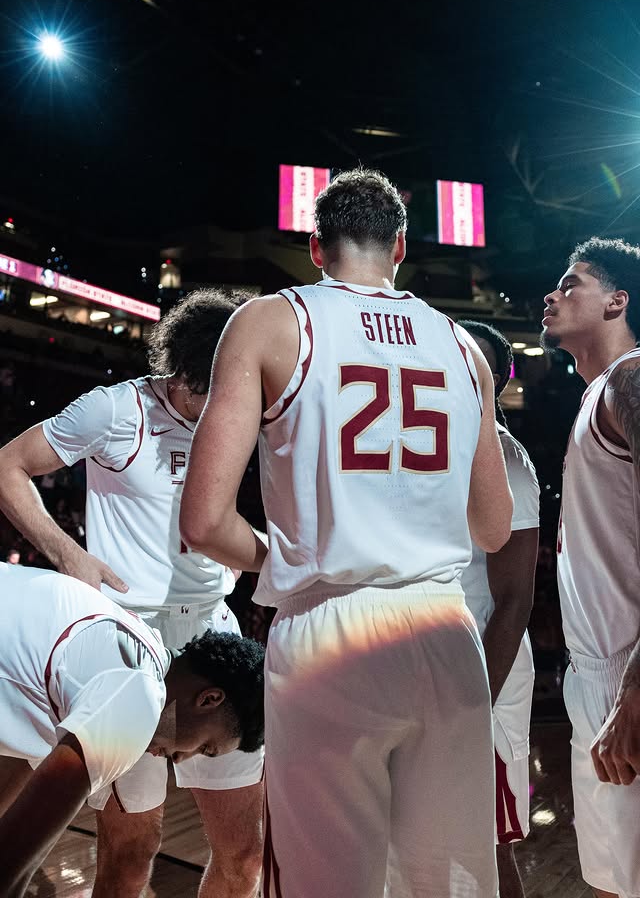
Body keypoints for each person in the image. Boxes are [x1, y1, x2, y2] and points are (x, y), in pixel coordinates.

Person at [180, 168, 513, 898]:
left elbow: (203, 519)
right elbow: (492, 527)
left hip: (329, 626)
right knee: (449, 881)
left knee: (330, 884)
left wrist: (276, 555)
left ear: (314, 246)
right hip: (445, 628)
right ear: (400, 247)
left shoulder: (271, 320)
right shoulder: (463, 345)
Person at [0, 288, 264, 898]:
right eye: (206, 392)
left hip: (212, 633)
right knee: (132, 849)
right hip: (127, 642)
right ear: (181, 372)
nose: (215, 408)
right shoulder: (116, 410)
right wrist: (68, 552)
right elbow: (10, 464)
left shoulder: (241, 408)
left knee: (244, 854)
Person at [0, 563, 265, 898]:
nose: (183, 760)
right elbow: (12, 862)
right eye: (205, 747)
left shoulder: (138, 641)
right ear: (209, 698)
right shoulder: (136, 702)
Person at [542, 237, 640, 898]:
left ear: (617, 299)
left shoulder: (632, 378)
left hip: (629, 670)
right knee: (609, 882)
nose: (552, 295)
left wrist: (637, 685)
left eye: (571, 283)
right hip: (596, 671)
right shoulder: (597, 394)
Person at [458, 321, 539, 898]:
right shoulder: (421, 442)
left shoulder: (507, 460)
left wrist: (471, 702)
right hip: (427, 658)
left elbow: (513, 601)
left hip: (488, 665)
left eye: (477, 369)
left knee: (488, 841)